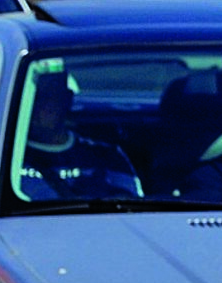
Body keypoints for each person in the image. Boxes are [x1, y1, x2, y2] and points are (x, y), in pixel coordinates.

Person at [18, 71, 142, 200]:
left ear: (66, 100)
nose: (36, 106)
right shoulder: (9, 158)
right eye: (32, 97)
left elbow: (131, 206)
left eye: (47, 97)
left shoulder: (107, 157)